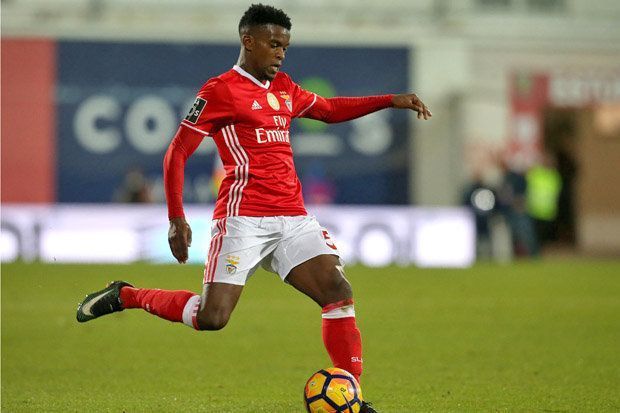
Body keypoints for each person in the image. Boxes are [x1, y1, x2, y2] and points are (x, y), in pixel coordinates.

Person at [76, 4, 431, 412]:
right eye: (274, 44)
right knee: (212, 318)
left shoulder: (284, 87)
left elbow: (329, 111)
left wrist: (391, 100)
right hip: (243, 220)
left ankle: (352, 397)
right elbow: (176, 153)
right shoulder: (219, 91)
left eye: (285, 46)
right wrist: (176, 219)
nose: (281, 53)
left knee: (338, 292)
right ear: (249, 41)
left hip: (294, 219)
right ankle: (128, 295)